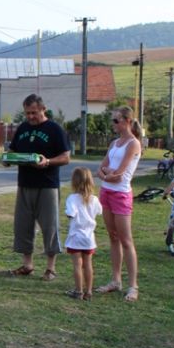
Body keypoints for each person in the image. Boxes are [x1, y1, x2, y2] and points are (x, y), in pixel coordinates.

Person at [7, 94, 71, 280]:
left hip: (47, 185)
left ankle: (51, 268)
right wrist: (8, 158)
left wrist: (48, 161)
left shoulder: (54, 129)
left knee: (49, 226)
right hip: (24, 184)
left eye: (34, 112)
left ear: (43, 109)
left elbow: (66, 157)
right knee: (23, 225)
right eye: (27, 113)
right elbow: (13, 150)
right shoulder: (23, 128)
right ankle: (27, 265)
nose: (30, 116)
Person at [95, 105, 142, 302]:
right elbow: (101, 169)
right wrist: (108, 174)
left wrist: (108, 174)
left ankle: (133, 286)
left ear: (127, 121)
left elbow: (119, 175)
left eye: (116, 120)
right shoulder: (114, 143)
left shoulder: (133, 144)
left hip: (121, 195)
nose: (113, 124)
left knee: (126, 240)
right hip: (106, 192)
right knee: (113, 237)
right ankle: (116, 280)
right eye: (112, 120)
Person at [64, 167, 102, 301]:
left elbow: (70, 213)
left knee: (77, 265)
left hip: (76, 237)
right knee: (88, 264)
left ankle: (78, 291)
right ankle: (89, 291)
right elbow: (99, 212)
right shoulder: (94, 199)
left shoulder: (72, 198)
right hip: (89, 237)